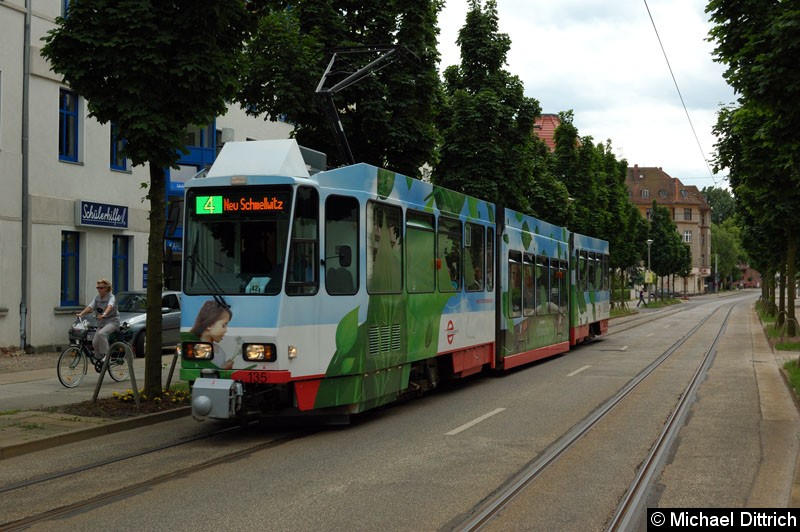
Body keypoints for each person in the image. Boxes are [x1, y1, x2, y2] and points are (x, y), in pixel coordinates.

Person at [76, 278, 120, 362]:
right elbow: (90, 307)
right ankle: (99, 360)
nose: (99, 290)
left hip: (112, 321)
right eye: (97, 288)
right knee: (95, 342)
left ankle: (107, 356)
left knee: (101, 334)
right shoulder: (97, 298)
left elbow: (109, 306)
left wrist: (104, 314)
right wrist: (81, 314)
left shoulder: (111, 297)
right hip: (102, 323)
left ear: (107, 288)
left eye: (101, 288)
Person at [190, 300, 234, 369]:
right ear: (209, 325)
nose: (226, 330)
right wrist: (223, 368)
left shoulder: (218, 349)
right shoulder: (197, 349)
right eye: (223, 325)